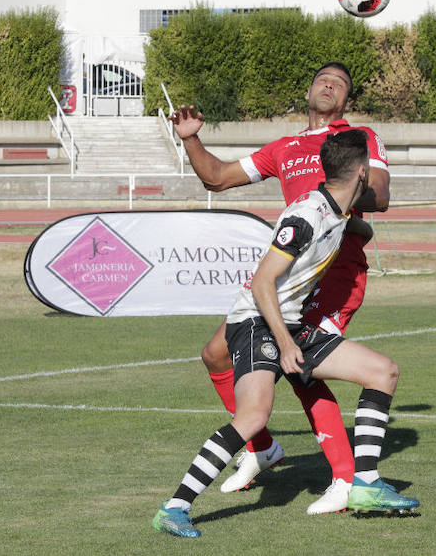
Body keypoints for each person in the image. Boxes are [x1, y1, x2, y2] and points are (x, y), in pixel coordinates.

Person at [152, 130, 418, 538]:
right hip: (257, 321)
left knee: (383, 372)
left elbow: (350, 229)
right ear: (363, 172)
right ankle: (174, 508)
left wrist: (362, 234)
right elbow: (261, 284)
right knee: (253, 416)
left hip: (290, 323)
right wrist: (287, 342)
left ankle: (364, 486)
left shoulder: (338, 210)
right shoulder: (306, 214)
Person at [166, 62, 390, 514]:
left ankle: (347, 481)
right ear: (308, 90)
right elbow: (217, 177)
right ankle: (263, 448)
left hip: (337, 271)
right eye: (323, 79)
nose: (329, 85)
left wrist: (333, 204)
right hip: (291, 273)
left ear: (346, 101)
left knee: (300, 366)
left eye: (340, 84)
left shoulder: (355, 139)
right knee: (216, 353)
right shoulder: (284, 147)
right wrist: (190, 138)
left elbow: (380, 195)